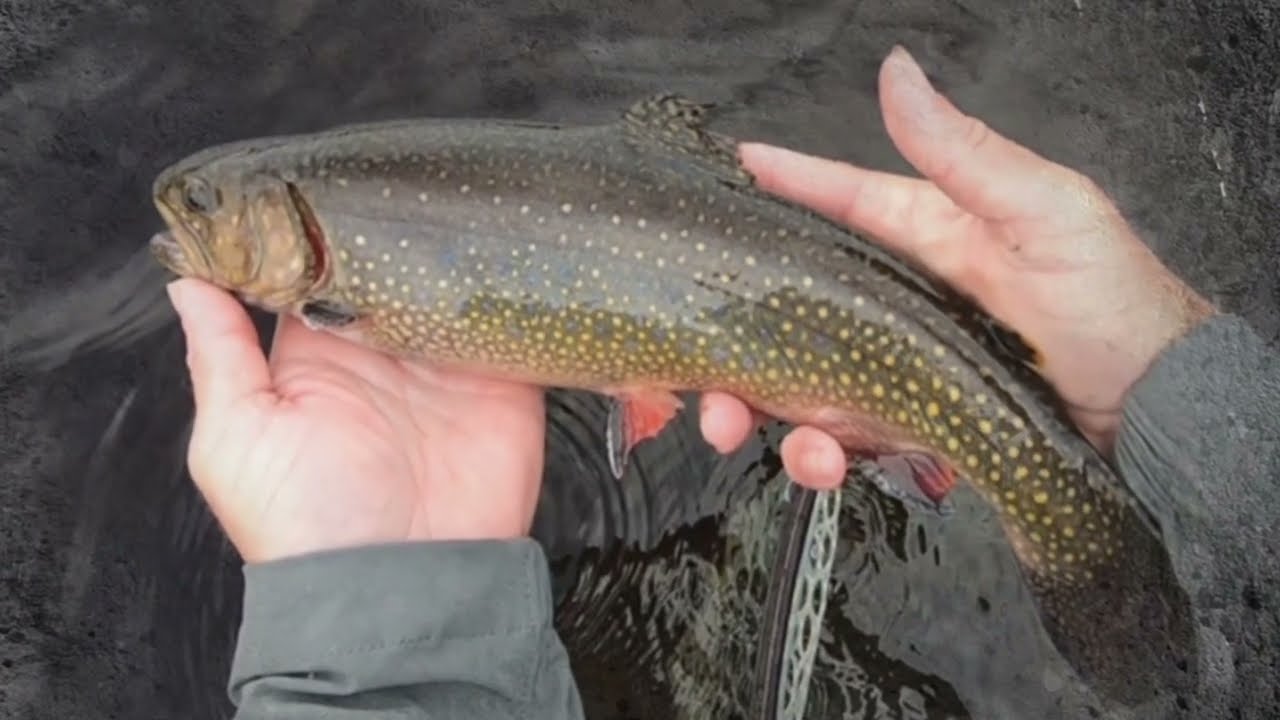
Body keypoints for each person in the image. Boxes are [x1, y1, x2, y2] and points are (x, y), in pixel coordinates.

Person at [163, 46, 1279, 718]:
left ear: (295, 225)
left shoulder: (338, 289)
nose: (190, 220)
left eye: (208, 207)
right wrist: (1173, 397)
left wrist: (376, 643)